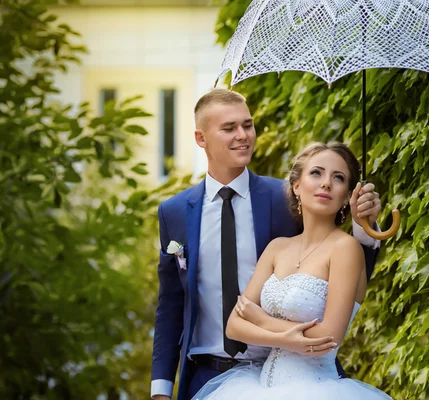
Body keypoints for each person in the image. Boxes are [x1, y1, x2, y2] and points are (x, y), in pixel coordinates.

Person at [151, 89, 383, 400]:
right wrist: (161, 389)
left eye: (248, 125)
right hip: (206, 377)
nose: (243, 135)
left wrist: (362, 226)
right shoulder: (175, 211)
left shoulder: (284, 197)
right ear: (201, 138)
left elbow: (341, 277)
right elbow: (171, 303)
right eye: (229, 128)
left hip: (282, 371)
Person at [191, 141, 391, 399]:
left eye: (338, 178)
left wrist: (262, 321)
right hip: (258, 389)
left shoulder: (346, 248)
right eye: (316, 173)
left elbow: (328, 337)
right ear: (297, 186)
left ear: (346, 197)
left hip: (317, 389)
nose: (326, 183)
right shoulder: (277, 248)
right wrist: (287, 339)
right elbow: (233, 326)